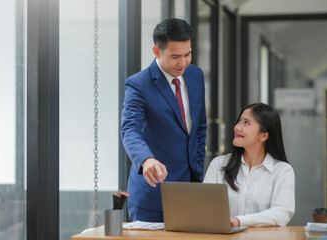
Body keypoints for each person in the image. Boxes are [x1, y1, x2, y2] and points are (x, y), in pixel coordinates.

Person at [121, 18, 207, 222]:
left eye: (188, 54)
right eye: (175, 56)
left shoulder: (195, 75)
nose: (183, 62)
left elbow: (200, 126)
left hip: (190, 191)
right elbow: (129, 129)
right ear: (157, 52)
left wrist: (198, 166)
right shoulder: (138, 85)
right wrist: (146, 159)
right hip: (153, 195)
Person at [203, 103, 295, 227]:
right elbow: (204, 206)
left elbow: (281, 213)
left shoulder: (282, 171)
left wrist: (239, 221)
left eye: (246, 123)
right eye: (239, 121)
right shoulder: (219, 164)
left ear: (264, 136)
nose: (237, 127)